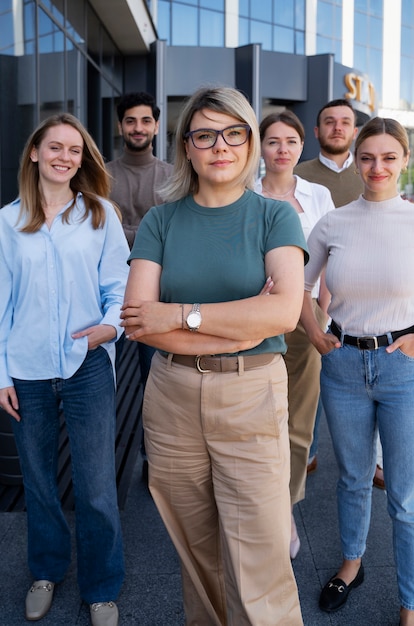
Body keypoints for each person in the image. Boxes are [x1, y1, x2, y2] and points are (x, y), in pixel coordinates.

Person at [120, 86, 308, 625]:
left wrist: (180, 315)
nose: (219, 146)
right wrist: (240, 320)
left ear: (249, 142)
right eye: (204, 134)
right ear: (187, 147)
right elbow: (139, 321)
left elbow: (281, 316)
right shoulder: (161, 220)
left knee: (260, 557)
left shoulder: (276, 217)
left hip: (251, 393)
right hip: (172, 398)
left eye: (233, 133)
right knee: (195, 552)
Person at [0, 113, 129, 626]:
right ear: (34, 153)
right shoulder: (7, 223)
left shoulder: (99, 214)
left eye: (74, 150)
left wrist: (108, 328)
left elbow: (119, 289)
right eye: (55, 147)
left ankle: (101, 588)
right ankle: (46, 571)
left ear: (83, 159)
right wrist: (1, 375)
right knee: (37, 481)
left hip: (86, 365)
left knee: (96, 485)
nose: (65, 157)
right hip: (26, 369)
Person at [300, 117, 414, 625]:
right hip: (343, 364)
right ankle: (352, 564)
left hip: (402, 369)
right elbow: (297, 287)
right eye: (368, 156)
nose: (377, 167)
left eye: (389, 157)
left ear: (404, 161)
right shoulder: (334, 222)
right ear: (356, 158)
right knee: (350, 477)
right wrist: (313, 334)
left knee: (406, 494)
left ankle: (410, 604)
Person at [254, 110, 335, 559]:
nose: (282, 148)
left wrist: (323, 313)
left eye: (290, 140)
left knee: (299, 422)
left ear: (302, 147)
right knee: (258, 419)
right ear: (260, 147)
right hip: (257, 321)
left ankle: (284, 509)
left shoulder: (318, 194)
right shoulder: (245, 193)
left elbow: (329, 258)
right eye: (272, 141)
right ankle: (257, 508)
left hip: (307, 322)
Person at [295, 98, 364, 474]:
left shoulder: (370, 172)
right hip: (313, 287)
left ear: (354, 131)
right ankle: (307, 450)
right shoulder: (300, 174)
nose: (337, 127)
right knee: (312, 368)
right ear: (318, 131)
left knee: (365, 371)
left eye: (345, 122)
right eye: (329, 122)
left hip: (362, 291)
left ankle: (370, 458)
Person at [107, 92, 173, 475]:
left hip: (158, 297)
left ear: (156, 126)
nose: (138, 128)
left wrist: (124, 230)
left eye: (145, 120)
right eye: (130, 121)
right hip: (109, 295)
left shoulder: (170, 175)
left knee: (156, 382)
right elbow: (98, 229)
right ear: (121, 126)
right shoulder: (101, 172)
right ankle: (107, 459)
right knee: (105, 383)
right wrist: (150, 230)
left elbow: (173, 234)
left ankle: (154, 459)